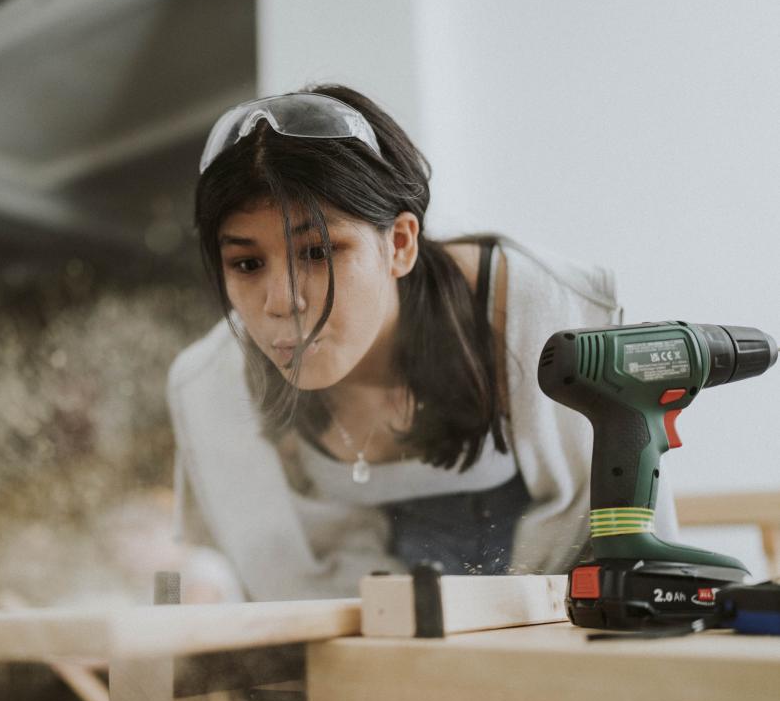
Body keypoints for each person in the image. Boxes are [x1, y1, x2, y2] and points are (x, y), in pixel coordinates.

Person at [166, 84, 679, 602]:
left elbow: (634, 549)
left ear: (401, 244)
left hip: (556, 625)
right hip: (365, 644)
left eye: (319, 251)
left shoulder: (542, 314)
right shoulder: (214, 385)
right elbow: (216, 576)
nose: (281, 302)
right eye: (247, 263)